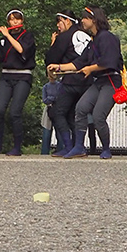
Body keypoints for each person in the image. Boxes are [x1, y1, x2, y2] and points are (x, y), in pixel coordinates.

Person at [49, 5, 123, 159]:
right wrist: (59, 67)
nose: (82, 21)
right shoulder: (93, 41)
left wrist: (90, 68)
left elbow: (110, 61)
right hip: (99, 81)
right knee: (81, 108)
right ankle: (79, 147)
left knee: (98, 116)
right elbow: (79, 62)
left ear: (94, 20)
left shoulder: (107, 37)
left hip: (111, 81)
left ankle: (106, 148)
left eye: (84, 18)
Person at [0, 8, 36, 155]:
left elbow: (22, 50)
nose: (14, 21)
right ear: (8, 21)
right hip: (6, 76)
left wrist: (8, 35)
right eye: (11, 19)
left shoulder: (27, 36)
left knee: (15, 111)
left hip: (22, 76)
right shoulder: (3, 40)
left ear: (22, 21)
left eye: (17, 19)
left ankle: (17, 146)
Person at [45, 9, 91, 157]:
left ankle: (69, 145)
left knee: (56, 112)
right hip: (88, 80)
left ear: (68, 21)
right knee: (74, 114)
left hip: (71, 80)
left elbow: (51, 58)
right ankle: (78, 147)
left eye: (59, 21)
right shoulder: (86, 35)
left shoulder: (65, 36)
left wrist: (53, 44)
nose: (58, 25)